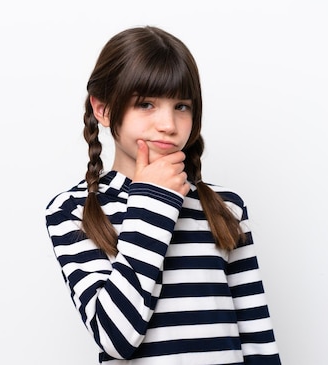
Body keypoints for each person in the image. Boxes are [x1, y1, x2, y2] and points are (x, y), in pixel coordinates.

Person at [44, 26, 281, 365]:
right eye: (146, 104)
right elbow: (116, 339)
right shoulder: (73, 211)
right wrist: (152, 202)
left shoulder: (225, 207)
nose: (168, 124)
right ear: (104, 109)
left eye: (182, 106)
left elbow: (257, 337)